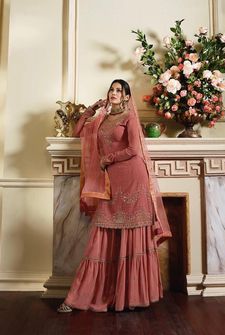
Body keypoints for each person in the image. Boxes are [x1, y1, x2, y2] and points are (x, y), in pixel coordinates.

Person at [57, 79, 171, 313]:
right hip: (111, 182)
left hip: (132, 177)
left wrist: (107, 160)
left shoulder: (129, 118)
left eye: (119, 90)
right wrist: (92, 109)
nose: (114, 93)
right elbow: (78, 131)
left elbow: (134, 150)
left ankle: (133, 296)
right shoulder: (101, 119)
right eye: (112, 89)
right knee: (103, 233)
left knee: (134, 232)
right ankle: (84, 295)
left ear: (127, 97)